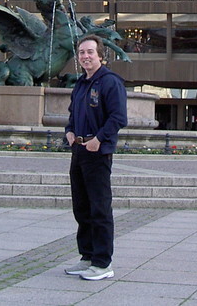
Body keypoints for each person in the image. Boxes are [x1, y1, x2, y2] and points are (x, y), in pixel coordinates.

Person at [63, 35, 127, 281]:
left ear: (101, 55)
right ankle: (87, 256)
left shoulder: (110, 82)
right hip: (79, 151)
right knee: (82, 207)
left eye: (90, 52)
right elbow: (72, 115)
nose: (85, 56)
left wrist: (99, 140)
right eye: (81, 53)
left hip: (97, 152)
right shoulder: (80, 84)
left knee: (99, 208)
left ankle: (102, 263)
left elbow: (118, 118)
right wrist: (69, 132)